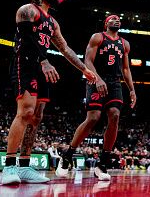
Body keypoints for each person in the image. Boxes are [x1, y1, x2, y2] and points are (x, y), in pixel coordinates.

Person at [2, 0, 97, 185]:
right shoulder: (27, 10)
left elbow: (65, 48)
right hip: (26, 62)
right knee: (26, 112)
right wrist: (44, 61)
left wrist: (84, 69)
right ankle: (9, 165)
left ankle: (25, 166)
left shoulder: (53, 22)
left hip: (41, 66)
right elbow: (27, 38)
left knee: (36, 117)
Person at [56, 14, 137, 181]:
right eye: (113, 19)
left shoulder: (124, 44)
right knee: (93, 117)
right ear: (106, 23)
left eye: (119, 19)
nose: (117, 20)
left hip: (115, 83)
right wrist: (97, 79)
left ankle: (103, 164)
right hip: (96, 79)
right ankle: (68, 155)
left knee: (114, 115)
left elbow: (126, 69)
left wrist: (132, 90)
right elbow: (88, 60)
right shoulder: (97, 37)